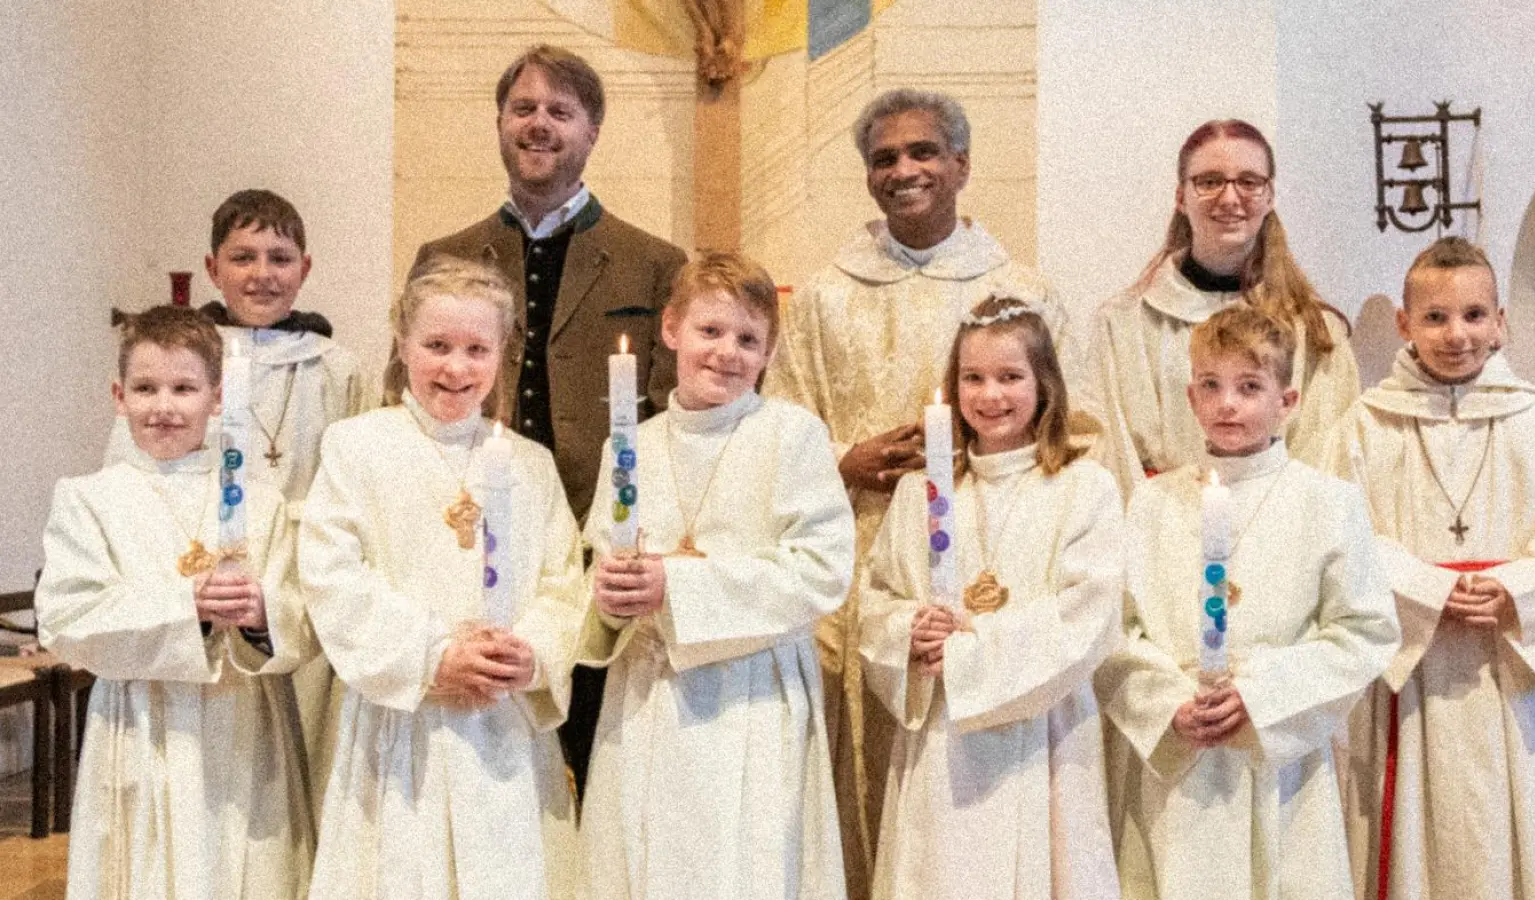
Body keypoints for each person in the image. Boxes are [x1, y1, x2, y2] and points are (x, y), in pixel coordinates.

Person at [763, 87, 1098, 898]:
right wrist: (845, 459)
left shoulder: (1023, 289)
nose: (904, 170)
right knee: (861, 775)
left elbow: (1071, 423)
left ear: (962, 165)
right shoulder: (825, 297)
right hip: (857, 571)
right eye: (884, 158)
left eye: (922, 153)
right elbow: (778, 433)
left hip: (1000, 561)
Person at [410, 44, 686, 797]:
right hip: (474, 539)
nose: (539, 125)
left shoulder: (651, 262)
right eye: (523, 108)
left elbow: (667, 415)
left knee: (604, 760)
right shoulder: (447, 256)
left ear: (592, 130)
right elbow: (406, 398)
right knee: (490, 751)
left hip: (602, 543)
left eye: (559, 112)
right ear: (499, 123)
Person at [298, 257, 583, 900]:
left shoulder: (530, 464)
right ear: (402, 344)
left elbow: (565, 583)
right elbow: (333, 576)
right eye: (436, 346)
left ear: (502, 354)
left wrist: (528, 653)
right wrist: (433, 655)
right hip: (401, 722)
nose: (455, 368)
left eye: (476, 349)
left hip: (502, 724)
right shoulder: (356, 447)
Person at [1094, 304, 1398, 899]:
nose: (1227, 404)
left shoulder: (1327, 503)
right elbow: (1116, 631)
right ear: (1190, 396)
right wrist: (1169, 706)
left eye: (1249, 387)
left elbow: (1364, 631)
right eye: (1211, 385)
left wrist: (1259, 696)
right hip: (1177, 759)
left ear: (1288, 401)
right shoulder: (1151, 505)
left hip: (1281, 761)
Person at [577, 251, 853, 899]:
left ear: (770, 352)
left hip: (752, 699)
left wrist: (680, 587)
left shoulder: (793, 436)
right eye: (711, 331)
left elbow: (822, 571)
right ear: (671, 329)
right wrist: (612, 602)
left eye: (748, 339)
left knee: (747, 869)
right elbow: (602, 576)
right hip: (651, 695)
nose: (727, 352)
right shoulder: (633, 445)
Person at [1332, 237, 1535, 900]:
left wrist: (1514, 590)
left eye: (1476, 315)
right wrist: (1429, 590)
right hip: (1411, 675)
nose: (1458, 334)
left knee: (1520, 833)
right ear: (1404, 323)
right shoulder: (1362, 429)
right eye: (1437, 317)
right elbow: (1337, 542)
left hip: (1514, 675)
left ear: (1501, 322)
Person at [38, 304, 314, 900]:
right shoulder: (89, 500)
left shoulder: (261, 504)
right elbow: (66, 617)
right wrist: (185, 604)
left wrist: (262, 615)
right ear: (119, 395)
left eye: (184, 388)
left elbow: (300, 615)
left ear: (217, 398)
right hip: (139, 723)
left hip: (243, 725)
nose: (164, 406)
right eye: (145, 388)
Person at [105, 188, 365, 805]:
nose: (262, 274)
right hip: (199, 576)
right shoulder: (177, 358)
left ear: (305, 268)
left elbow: (360, 477)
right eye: (243, 257)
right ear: (212, 268)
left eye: (279, 258)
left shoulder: (336, 366)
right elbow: (130, 479)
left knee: (307, 757)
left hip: (304, 580)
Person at [859, 295, 1122, 900]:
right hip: (941, 742)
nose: (990, 395)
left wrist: (967, 653)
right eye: (972, 378)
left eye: (1010, 377)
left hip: (1046, 737)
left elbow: (1092, 614)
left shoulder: (1083, 488)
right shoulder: (920, 494)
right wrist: (908, 632)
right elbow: (878, 598)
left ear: (1045, 384)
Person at [1094, 119, 1359, 495]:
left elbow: (1330, 457)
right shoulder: (1123, 324)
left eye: (1249, 182)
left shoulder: (1316, 331)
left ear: (1269, 197)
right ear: (1181, 197)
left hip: (1280, 530)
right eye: (1209, 181)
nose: (1230, 198)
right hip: (1163, 531)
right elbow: (1114, 458)